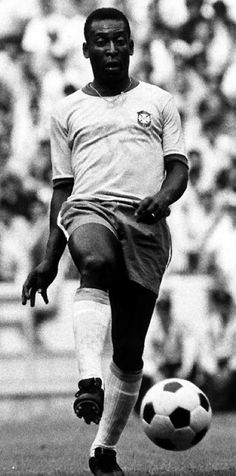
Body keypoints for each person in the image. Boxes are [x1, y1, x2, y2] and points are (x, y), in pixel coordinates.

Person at [22, 8, 188, 476]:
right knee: (94, 262)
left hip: (145, 222)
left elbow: (178, 167)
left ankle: (102, 450)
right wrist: (50, 258)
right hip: (89, 210)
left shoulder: (159, 102)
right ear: (86, 49)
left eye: (119, 41)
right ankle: (87, 381)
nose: (111, 49)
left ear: (132, 46)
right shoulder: (67, 111)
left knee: (130, 351)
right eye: (101, 41)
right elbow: (62, 188)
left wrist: (162, 197)